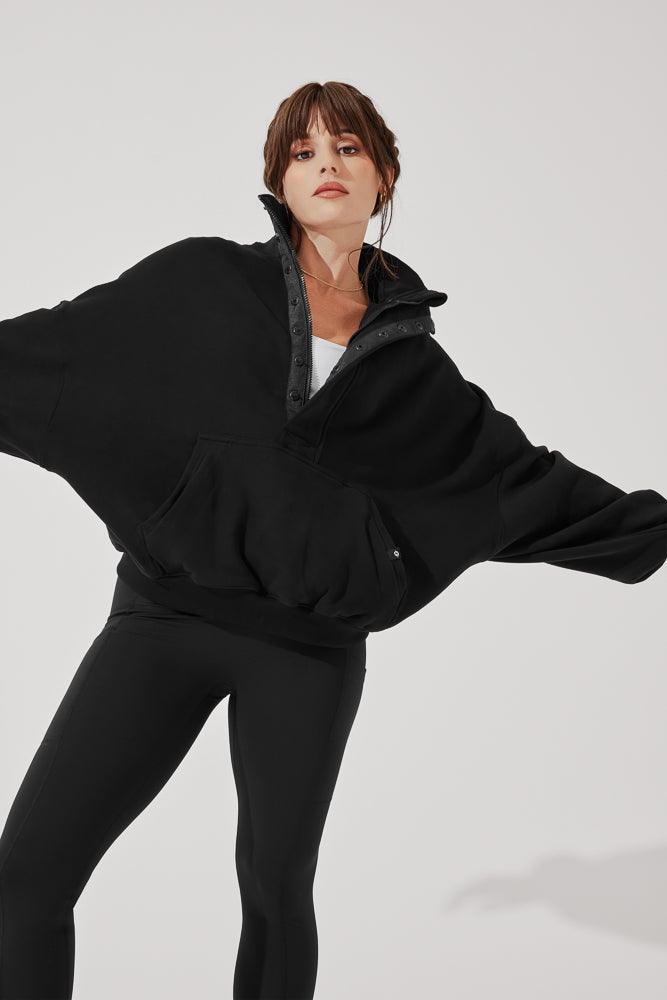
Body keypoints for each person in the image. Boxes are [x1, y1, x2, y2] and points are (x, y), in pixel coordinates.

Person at [0, 80, 665, 1000]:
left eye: (348, 148)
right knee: (26, 877)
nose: (327, 165)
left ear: (383, 176)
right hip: (162, 621)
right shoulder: (201, 281)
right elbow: (59, 356)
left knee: (275, 892)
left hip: (305, 654)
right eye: (304, 150)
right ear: (277, 179)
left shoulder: (416, 372)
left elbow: (524, 485)